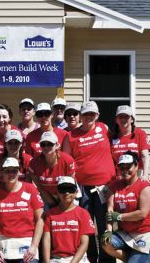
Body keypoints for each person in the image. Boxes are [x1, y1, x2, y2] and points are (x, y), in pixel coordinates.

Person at [64, 101, 116, 263]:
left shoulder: (104, 128)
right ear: (81, 116)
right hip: (82, 187)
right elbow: (67, 161)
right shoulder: (71, 136)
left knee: (103, 224)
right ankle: (91, 257)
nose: (88, 117)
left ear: (97, 116)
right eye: (85, 114)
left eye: (92, 114)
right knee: (86, 225)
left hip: (104, 186)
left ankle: (107, 258)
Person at [101, 152, 150, 263]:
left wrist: (119, 217)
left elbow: (142, 213)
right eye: (122, 167)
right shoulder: (114, 186)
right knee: (106, 242)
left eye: (129, 167)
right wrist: (108, 231)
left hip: (147, 234)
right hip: (126, 234)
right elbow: (110, 211)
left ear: (137, 166)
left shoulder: (145, 187)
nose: (125, 171)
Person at [0, 157, 44, 263]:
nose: (11, 174)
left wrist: (34, 246)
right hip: (1, 246)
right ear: (2, 173)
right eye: (7, 171)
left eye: (14, 170)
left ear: (19, 172)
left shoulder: (30, 189)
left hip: (27, 245)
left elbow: (41, 219)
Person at [43, 176, 95, 263]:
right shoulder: (50, 214)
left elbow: (84, 243)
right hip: (57, 259)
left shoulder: (83, 214)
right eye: (62, 189)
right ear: (57, 193)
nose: (66, 193)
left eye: (70, 189)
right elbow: (46, 240)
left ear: (76, 192)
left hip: (78, 258)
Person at [28, 132, 76, 208]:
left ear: (57, 145)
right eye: (43, 144)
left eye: (50, 144)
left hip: (67, 193)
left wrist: (62, 203)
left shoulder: (67, 160)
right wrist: (50, 201)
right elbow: (39, 187)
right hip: (46, 196)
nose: (46, 147)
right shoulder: (34, 163)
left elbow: (70, 185)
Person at [111, 105, 150, 180]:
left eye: (126, 116)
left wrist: (145, 176)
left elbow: (145, 156)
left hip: (137, 177)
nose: (123, 119)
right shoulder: (112, 137)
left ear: (132, 119)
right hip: (119, 178)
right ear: (116, 120)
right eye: (120, 116)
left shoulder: (140, 133)